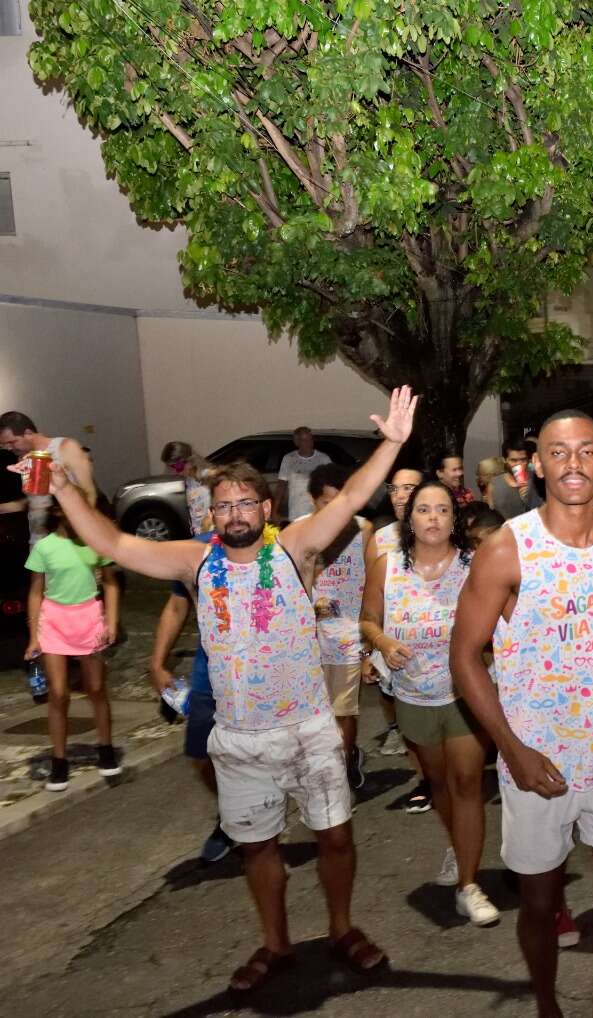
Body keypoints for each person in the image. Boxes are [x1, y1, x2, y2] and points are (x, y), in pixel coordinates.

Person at [45, 387, 416, 993]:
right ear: (210, 514)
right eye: (225, 505)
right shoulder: (195, 562)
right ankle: (276, 945)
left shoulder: (294, 548)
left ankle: (343, 929)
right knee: (257, 848)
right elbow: (114, 544)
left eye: (247, 503)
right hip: (239, 738)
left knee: (337, 837)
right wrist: (62, 490)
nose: (236, 513)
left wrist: (392, 442)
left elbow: (349, 497)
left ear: (266, 510)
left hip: (308, 728)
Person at [447, 410, 593, 1018]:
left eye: (587, 451)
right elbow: (463, 657)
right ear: (536, 465)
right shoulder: (505, 548)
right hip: (539, 759)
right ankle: (548, 1007)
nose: (573, 464)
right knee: (541, 907)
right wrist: (511, 750)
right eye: (558, 452)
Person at [360, 480, 498, 926]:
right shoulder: (387, 566)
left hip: (465, 693)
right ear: (409, 518)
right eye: (424, 509)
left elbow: (504, 618)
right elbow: (367, 618)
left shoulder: (475, 566)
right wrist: (380, 641)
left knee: (466, 784)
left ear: (454, 519)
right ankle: (458, 849)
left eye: (442, 509)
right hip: (412, 695)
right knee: (439, 786)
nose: (434, 518)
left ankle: (469, 886)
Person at [26, 490, 121, 790]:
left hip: (89, 617)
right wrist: (33, 636)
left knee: (95, 688)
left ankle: (105, 748)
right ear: (58, 512)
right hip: (54, 621)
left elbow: (110, 583)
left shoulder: (94, 542)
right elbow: (35, 592)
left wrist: (111, 621)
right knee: (58, 693)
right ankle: (59, 760)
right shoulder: (45, 547)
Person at [149, 556, 234, 863]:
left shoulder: (273, 546)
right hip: (208, 673)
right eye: (218, 506)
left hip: (262, 675)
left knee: (263, 756)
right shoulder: (194, 552)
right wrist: (157, 663)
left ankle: (256, 822)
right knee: (200, 754)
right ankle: (231, 815)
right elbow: (176, 605)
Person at [305, 463, 372, 787]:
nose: (333, 512)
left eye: (339, 502)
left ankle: (340, 775)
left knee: (344, 711)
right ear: (312, 500)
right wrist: (309, 603)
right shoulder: (299, 531)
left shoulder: (363, 529)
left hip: (350, 635)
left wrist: (372, 638)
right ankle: (332, 763)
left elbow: (374, 582)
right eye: (325, 504)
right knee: (318, 715)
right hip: (312, 637)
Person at [366, 466, 429, 797]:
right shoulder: (381, 538)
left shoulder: (443, 530)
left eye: (409, 488)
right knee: (408, 723)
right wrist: (370, 650)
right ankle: (425, 781)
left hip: (438, 642)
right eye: (394, 488)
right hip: (395, 645)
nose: (401, 495)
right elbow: (371, 602)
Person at [1, 412, 97, 545]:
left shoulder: (65, 447)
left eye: (12, 442)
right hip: (39, 543)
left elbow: (89, 493)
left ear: (28, 433)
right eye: (5, 445)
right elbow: (34, 502)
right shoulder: (24, 459)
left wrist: (78, 534)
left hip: (71, 540)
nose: (9, 448)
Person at [274, 427, 332, 523]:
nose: (308, 443)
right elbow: (281, 485)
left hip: (319, 513)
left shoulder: (324, 459)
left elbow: (332, 483)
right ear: (297, 442)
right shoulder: (289, 459)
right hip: (296, 513)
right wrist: (275, 510)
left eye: (310, 439)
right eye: (304, 440)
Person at [162, 441, 215, 534]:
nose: (174, 472)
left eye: (178, 466)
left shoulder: (210, 478)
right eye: (170, 468)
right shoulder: (186, 483)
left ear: (189, 461)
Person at [489, 440, 538, 520]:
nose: (519, 464)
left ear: (528, 460)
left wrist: (531, 497)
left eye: (523, 460)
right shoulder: (494, 483)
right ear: (505, 460)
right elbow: (490, 515)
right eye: (513, 460)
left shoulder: (538, 480)